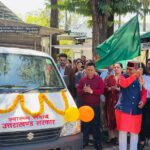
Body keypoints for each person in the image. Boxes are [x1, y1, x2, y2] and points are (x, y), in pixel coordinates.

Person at [115, 61, 147, 150]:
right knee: (122, 134)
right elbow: (124, 84)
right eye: (127, 69)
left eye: (131, 69)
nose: (128, 71)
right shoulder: (122, 77)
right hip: (124, 110)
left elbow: (144, 92)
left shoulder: (140, 78)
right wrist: (135, 75)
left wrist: (143, 100)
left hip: (136, 110)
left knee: (135, 134)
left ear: (136, 69)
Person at [77, 62, 104, 150]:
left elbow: (101, 91)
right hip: (85, 107)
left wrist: (92, 91)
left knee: (96, 125)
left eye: (91, 70)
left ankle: (98, 143)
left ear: (94, 70)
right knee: (85, 126)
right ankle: (84, 142)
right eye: (88, 70)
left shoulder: (99, 79)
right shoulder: (82, 80)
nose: (90, 71)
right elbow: (78, 90)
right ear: (85, 70)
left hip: (95, 107)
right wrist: (84, 90)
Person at [104, 63, 123, 143]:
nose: (116, 69)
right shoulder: (109, 77)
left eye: (118, 67)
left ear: (122, 68)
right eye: (114, 67)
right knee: (110, 117)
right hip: (110, 101)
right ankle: (111, 136)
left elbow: (128, 90)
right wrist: (108, 89)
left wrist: (119, 89)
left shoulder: (125, 78)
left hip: (121, 102)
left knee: (119, 119)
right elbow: (104, 87)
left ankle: (119, 138)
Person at [138, 61, 150, 150]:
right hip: (137, 101)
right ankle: (140, 139)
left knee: (146, 122)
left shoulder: (146, 78)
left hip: (148, 101)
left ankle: (142, 140)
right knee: (140, 122)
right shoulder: (135, 77)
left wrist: (143, 84)